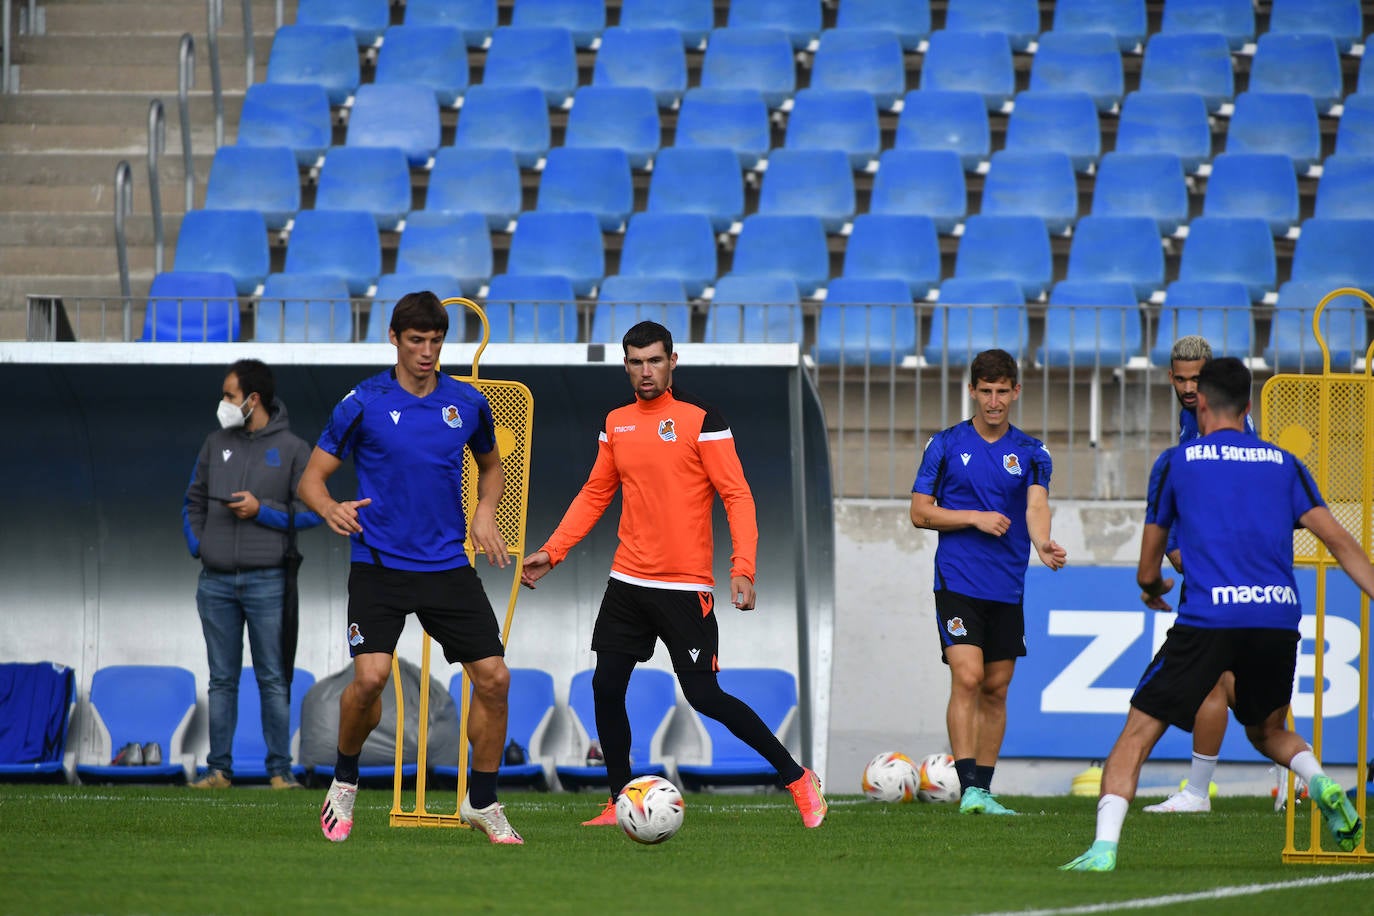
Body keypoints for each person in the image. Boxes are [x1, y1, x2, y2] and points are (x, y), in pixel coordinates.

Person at [519, 320, 828, 829]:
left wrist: (742, 568)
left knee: (704, 696)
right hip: (627, 581)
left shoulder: (702, 419)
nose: (646, 371)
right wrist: (553, 552)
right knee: (605, 684)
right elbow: (596, 492)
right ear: (626, 366)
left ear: (672, 361)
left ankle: (798, 779)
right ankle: (620, 800)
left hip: (684, 588)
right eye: (636, 362)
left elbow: (737, 495)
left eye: (655, 360)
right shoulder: (616, 421)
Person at [1062, 357, 1367, 872]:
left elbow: (1149, 565)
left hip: (1209, 619)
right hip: (1275, 620)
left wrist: (1153, 588)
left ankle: (1103, 849)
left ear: (1198, 401)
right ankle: (1318, 780)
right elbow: (1338, 540)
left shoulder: (1177, 463)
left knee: (1137, 734)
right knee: (1268, 730)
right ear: (1249, 407)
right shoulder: (1285, 463)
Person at [297, 291, 521, 845]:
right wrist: (330, 509)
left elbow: (491, 468)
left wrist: (485, 513)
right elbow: (311, 479)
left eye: (436, 340)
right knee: (369, 680)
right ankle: (345, 781)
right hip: (379, 565)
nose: (426, 351)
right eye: (416, 340)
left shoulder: (466, 404)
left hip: (447, 565)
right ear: (394, 339)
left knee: (495, 680)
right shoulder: (362, 402)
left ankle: (483, 801)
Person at [909, 348, 1068, 815]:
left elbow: (1036, 505)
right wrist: (974, 518)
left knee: (996, 687)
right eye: (986, 392)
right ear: (973, 391)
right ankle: (968, 787)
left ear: (1016, 392)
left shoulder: (1033, 453)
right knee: (969, 675)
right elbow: (920, 512)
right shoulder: (944, 444)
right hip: (957, 581)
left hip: (1007, 586)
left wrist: (1041, 542)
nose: (994, 401)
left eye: (1003, 392)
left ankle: (984, 789)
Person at [182, 358, 322, 790]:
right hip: (215, 581)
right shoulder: (213, 443)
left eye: (229, 395)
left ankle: (279, 771)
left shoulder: (296, 449)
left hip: (269, 580)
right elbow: (193, 501)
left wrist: (263, 512)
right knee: (221, 679)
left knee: (272, 677)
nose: (223, 402)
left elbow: (315, 511)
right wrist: (200, 546)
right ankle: (219, 770)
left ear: (253, 399)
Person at [1145, 336, 1254, 814]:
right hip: (1226, 571)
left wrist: (1179, 551)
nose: (1189, 388)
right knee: (1228, 680)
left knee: (1221, 681)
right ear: (1171, 377)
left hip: (1226, 571)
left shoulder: (1229, 429)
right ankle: (1295, 775)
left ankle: (1200, 792)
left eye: (1197, 379)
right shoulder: (1192, 423)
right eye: (1182, 378)